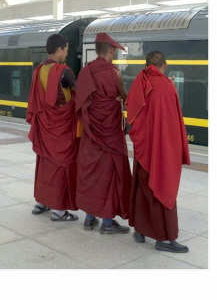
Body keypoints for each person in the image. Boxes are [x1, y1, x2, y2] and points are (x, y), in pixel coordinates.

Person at [126, 51, 191, 252]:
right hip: (160, 151)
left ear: (147, 65)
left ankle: (140, 230)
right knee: (163, 187)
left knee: (142, 189)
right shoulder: (168, 88)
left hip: (143, 149)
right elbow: (173, 124)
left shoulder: (139, 80)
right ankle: (165, 239)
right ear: (164, 65)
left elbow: (132, 111)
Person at [75, 32, 132, 234]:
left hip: (91, 136)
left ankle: (90, 219)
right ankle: (107, 223)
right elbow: (125, 98)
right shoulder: (114, 73)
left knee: (92, 176)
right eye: (114, 52)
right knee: (109, 176)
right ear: (110, 51)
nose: (114, 55)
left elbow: (80, 105)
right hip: (110, 136)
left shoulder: (85, 72)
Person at [26, 34, 79, 222]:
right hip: (62, 129)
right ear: (59, 50)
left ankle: (41, 201)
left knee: (45, 165)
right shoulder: (64, 71)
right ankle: (59, 210)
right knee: (62, 166)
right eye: (65, 49)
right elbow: (79, 94)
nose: (66, 53)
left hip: (45, 127)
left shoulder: (39, 70)